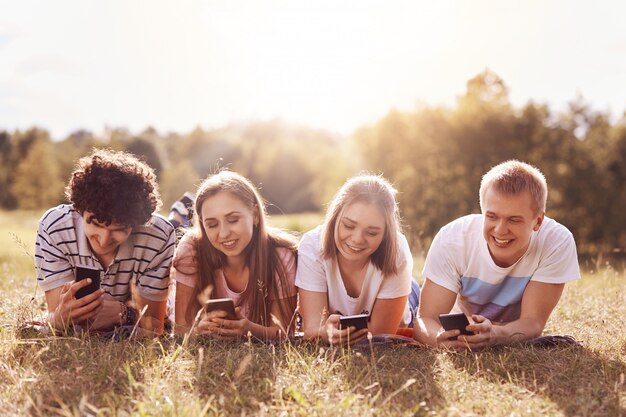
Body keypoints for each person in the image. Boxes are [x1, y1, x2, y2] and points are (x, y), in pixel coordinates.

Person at [414, 160, 580, 349]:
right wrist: (438, 338)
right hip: (449, 311)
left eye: (514, 220)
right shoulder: (452, 239)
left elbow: (533, 322)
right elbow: (425, 320)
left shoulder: (556, 242)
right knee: (411, 298)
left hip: (504, 330)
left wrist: (497, 334)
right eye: (491, 216)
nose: (500, 231)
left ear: (538, 221)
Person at [35, 149, 175, 336]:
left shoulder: (159, 236)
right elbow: (65, 319)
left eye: (119, 229)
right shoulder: (55, 227)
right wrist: (59, 318)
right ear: (80, 210)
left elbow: (154, 325)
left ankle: (179, 216)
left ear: (136, 224)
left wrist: (124, 313)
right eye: (95, 224)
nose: (104, 240)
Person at [172, 170, 298, 341]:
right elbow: (180, 329)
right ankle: (177, 217)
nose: (224, 234)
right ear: (202, 224)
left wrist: (249, 330)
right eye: (212, 224)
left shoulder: (280, 256)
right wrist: (198, 330)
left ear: (254, 215)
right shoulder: (192, 249)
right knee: (172, 228)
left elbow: (285, 333)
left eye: (233, 220)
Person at [296, 174, 420, 345]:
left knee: (411, 289)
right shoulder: (312, 245)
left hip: (405, 298)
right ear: (335, 217)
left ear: (385, 234)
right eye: (348, 226)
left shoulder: (397, 250)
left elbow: (380, 335)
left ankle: (411, 285)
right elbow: (312, 329)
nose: (357, 239)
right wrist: (324, 333)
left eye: (372, 233)